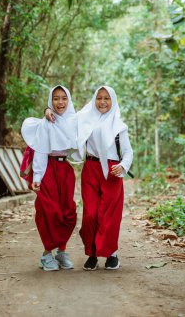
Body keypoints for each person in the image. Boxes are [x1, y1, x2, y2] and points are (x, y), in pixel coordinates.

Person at [45, 86, 133, 270]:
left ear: (113, 101)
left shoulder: (119, 126)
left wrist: (123, 166)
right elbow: (65, 116)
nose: (102, 102)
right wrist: (47, 110)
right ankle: (92, 253)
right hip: (91, 169)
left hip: (112, 171)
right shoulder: (85, 119)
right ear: (94, 100)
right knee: (91, 214)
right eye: (99, 98)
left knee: (108, 215)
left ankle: (111, 254)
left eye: (106, 98)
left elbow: (127, 152)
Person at [21, 85, 77, 271]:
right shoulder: (47, 122)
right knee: (50, 211)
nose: (60, 102)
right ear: (50, 101)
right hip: (47, 169)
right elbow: (41, 148)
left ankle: (61, 251)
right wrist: (37, 175)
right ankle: (47, 254)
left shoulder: (74, 120)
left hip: (65, 170)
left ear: (69, 100)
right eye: (56, 98)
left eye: (64, 98)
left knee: (68, 211)